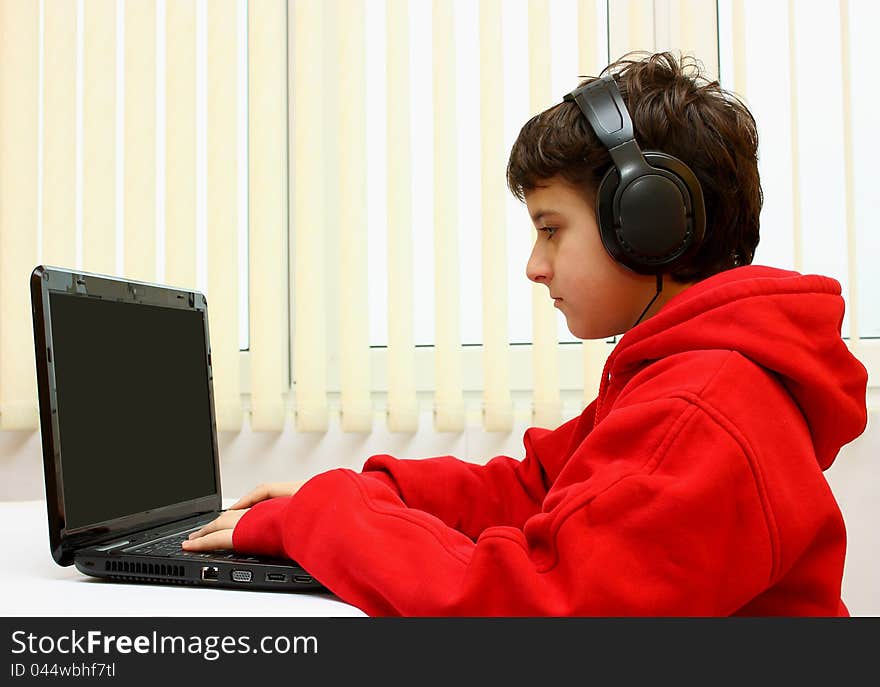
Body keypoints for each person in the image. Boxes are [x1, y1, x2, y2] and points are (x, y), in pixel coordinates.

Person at [181, 51, 868, 615]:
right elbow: (537, 489)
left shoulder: (700, 409)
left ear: (648, 223)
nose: (535, 267)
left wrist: (326, 521)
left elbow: (538, 606)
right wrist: (350, 495)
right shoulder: (689, 373)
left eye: (550, 229)